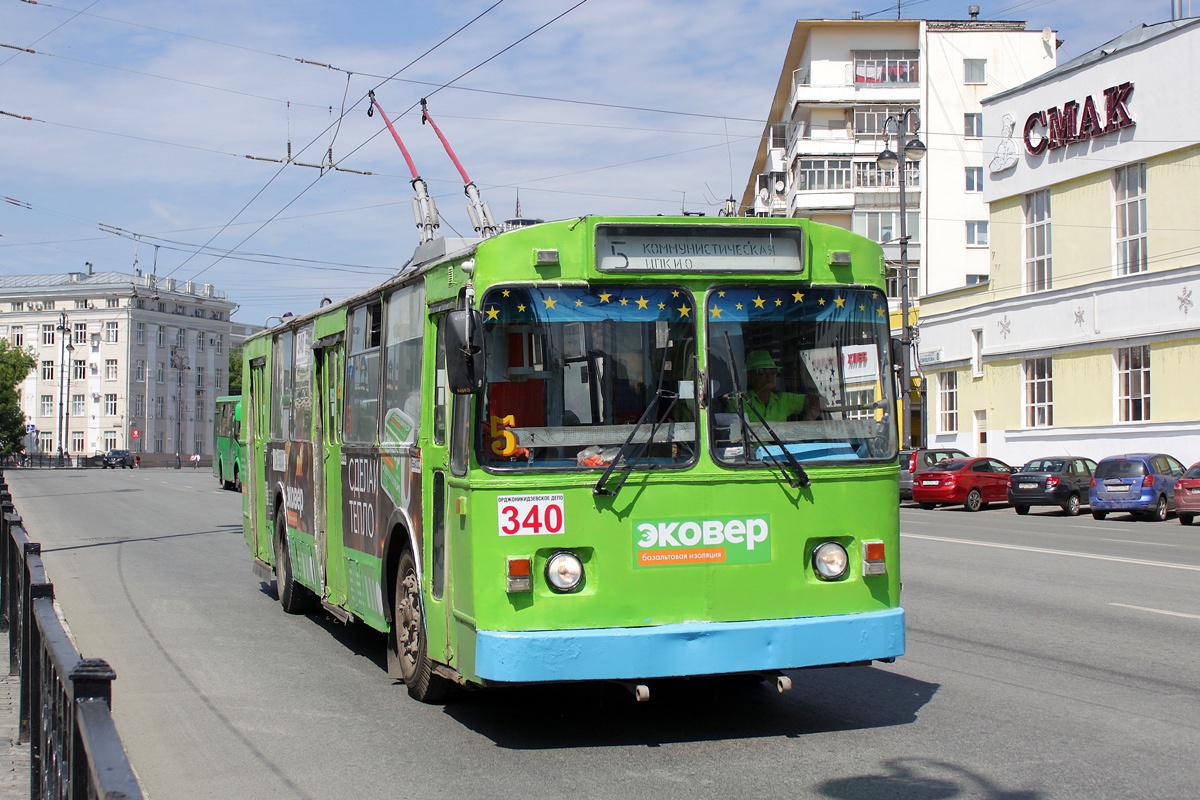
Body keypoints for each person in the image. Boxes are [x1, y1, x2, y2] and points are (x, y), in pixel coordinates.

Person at [741, 350, 820, 422]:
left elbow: (818, 401)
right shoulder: (741, 401)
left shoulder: (782, 399)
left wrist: (809, 419)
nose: (769, 375)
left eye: (773, 371)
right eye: (761, 371)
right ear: (749, 377)